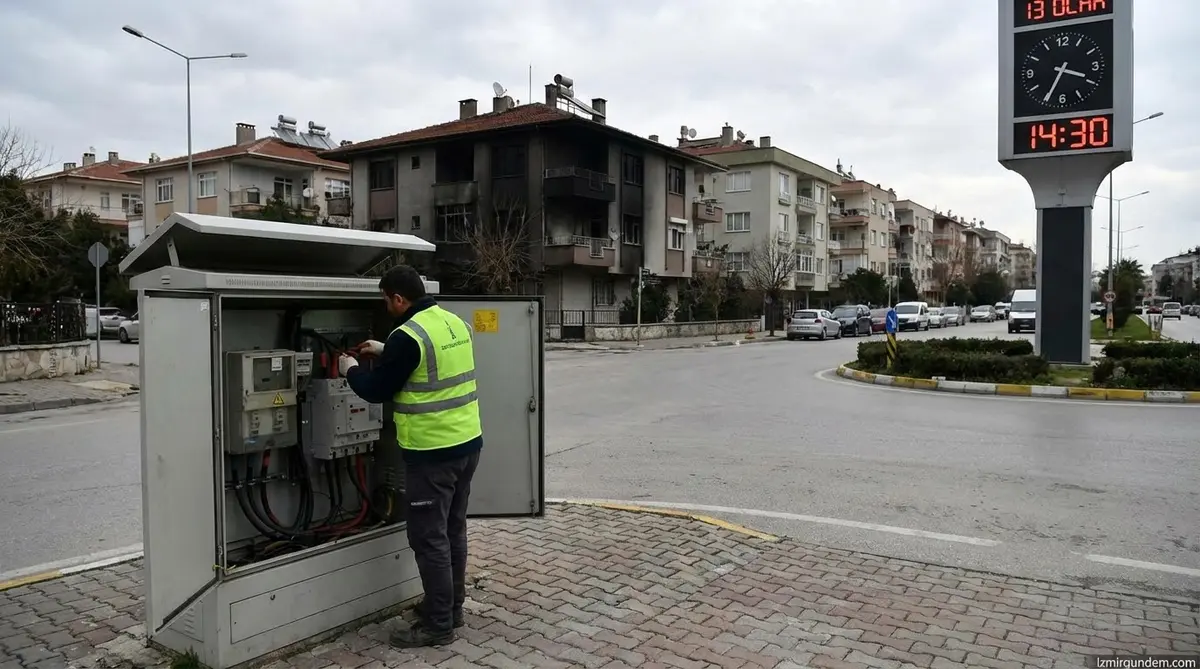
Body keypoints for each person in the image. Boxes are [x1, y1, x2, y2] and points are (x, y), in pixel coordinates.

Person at [337, 265, 482, 648]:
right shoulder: (453, 323)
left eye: (386, 300)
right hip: (467, 445)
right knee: (453, 530)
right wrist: (386, 350)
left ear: (399, 298)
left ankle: (437, 626)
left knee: (428, 537)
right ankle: (451, 608)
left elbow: (377, 389)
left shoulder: (406, 335)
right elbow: (429, 365)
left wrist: (349, 370)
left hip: (431, 454)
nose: (386, 306)